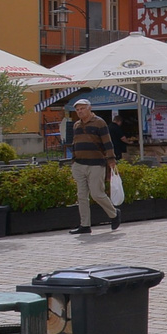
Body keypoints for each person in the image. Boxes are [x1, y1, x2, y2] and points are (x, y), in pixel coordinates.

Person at [68, 98, 120, 235]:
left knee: (97, 194)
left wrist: (111, 160)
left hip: (96, 163)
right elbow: (74, 142)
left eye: (82, 108)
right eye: (77, 110)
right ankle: (85, 225)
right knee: (81, 195)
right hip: (79, 164)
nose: (79, 112)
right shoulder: (76, 125)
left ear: (89, 108)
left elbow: (107, 142)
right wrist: (73, 160)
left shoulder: (99, 122)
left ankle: (114, 213)